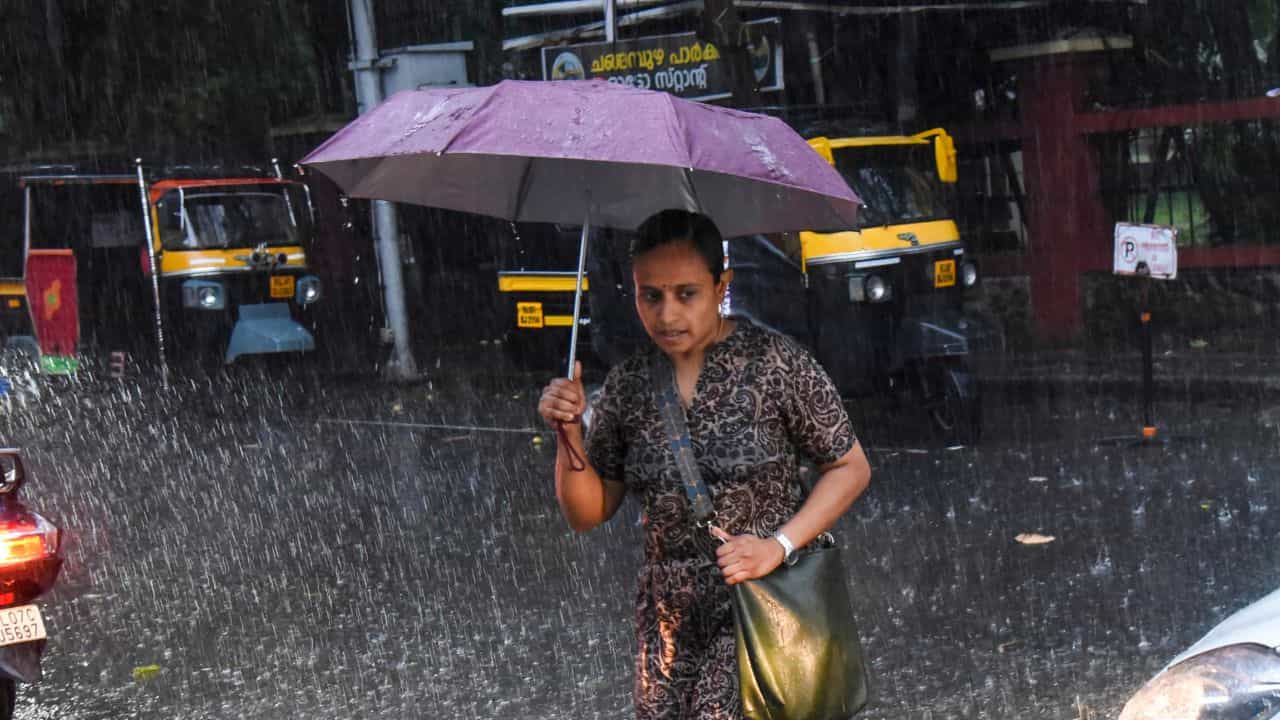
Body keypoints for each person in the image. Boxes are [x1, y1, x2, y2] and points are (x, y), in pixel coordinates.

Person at [537, 209, 872, 720]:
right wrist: (567, 435)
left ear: (722, 286)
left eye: (686, 293)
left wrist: (777, 546)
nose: (667, 315)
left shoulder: (775, 364)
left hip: (761, 601)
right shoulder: (627, 387)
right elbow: (588, 512)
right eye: (651, 295)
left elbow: (849, 467)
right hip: (668, 622)